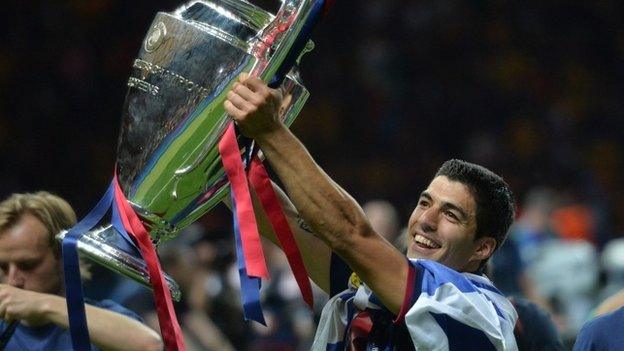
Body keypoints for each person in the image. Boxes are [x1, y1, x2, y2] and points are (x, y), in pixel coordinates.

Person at [224, 74, 518, 350]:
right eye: (425, 203)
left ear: (482, 248)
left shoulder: (475, 310)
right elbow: (283, 221)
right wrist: (223, 154)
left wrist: (271, 130)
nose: (426, 221)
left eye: (451, 215)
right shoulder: (377, 289)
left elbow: (350, 233)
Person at [0, 191, 163, 351]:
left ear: (64, 256)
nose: (13, 281)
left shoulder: (103, 322)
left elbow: (150, 345)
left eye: (28, 265)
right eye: (3, 267)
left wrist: (44, 304)